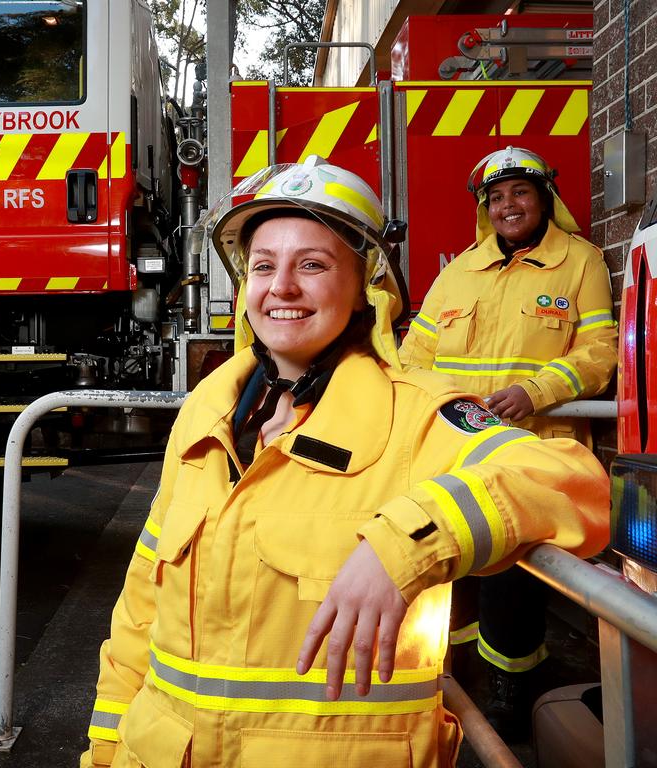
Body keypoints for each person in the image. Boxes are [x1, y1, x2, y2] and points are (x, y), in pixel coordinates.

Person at [80, 156, 609, 767]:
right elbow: (141, 606)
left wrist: (407, 541)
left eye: (313, 264)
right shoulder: (208, 409)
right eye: (263, 266)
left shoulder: (415, 415)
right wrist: (105, 751)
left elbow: (572, 482)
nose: (281, 286)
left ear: (365, 289)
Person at [398, 145, 618, 739]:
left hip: (531, 456)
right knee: (455, 579)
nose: (507, 206)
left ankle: (512, 696)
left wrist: (536, 390)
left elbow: (600, 354)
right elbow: (412, 359)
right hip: (451, 455)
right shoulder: (458, 271)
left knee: (512, 589)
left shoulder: (581, 262)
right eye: (495, 198)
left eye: (519, 192)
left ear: (545, 198)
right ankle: (457, 679)